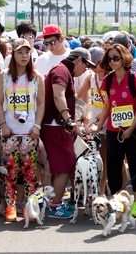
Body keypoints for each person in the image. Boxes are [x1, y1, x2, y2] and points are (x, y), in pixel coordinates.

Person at [39, 47, 93, 219]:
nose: (86, 69)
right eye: (86, 65)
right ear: (78, 60)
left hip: (56, 124)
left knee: (60, 166)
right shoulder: (61, 70)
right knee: (65, 165)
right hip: (55, 125)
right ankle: (55, 206)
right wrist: (68, 120)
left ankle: (55, 202)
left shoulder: (63, 71)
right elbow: (58, 96)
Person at [0, 39, 45, 222]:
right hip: (10, 132)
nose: (24, 56)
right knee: (10, 172)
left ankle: (30, 207)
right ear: (12, 54)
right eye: (19, 52)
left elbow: (40, 104)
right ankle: (11, 206)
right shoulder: (4, 76)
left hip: (29, 132)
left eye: (27, 52)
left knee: (30, 173)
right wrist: (3, 125)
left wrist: (37, 126)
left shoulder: (36, 77)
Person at [94, 44, 136, 218]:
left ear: (124, 57)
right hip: (113, 130)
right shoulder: (107, 80)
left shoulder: (135, 79)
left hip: (135, 129)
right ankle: (116, 203)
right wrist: (98, 126)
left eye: (116, 57)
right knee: (114, 167)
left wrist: (131, 129)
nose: (113, 61)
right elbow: (107, 105)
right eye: (110, 58)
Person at [76, 47, 109, 196]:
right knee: (101, 159)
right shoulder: (91, 77)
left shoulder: (111, 77)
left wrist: (102, 114)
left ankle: (111, 191)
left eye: (98, 63)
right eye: (92, 64)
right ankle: (101, 191)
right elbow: (78, 97)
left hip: (111, 123)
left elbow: (113, 102)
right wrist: (84, 114)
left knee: (115, 161)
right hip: (96, 126)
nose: (94, 66)